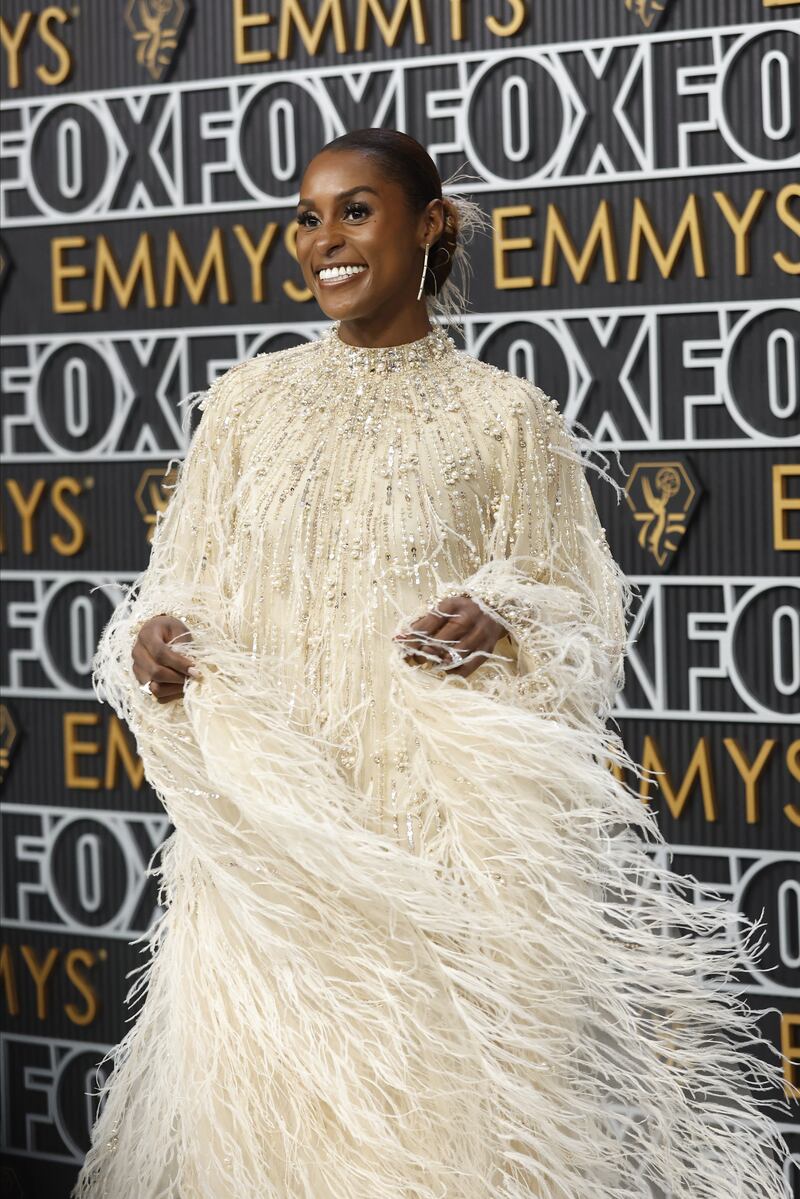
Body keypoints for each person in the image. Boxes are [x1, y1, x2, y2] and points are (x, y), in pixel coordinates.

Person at [72, 129, 792, 1199]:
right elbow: (176, 581)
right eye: (307, 217)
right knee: (266, 1132)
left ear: (429, 225)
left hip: (431, 851)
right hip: (271, 848)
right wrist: (158, 639)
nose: (325, 240)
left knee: (430, 1135)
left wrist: (500, 614)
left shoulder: (503, 417)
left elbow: (580, 612)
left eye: (355, 211)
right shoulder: (244, 404)